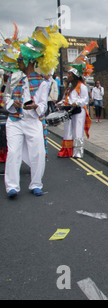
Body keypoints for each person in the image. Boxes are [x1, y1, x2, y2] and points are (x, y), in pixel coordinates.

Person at [4, 25, 67, 198]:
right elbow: (5, 99)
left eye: (20, 60)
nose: (17, 63)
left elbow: (43, 107)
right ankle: (12, 187)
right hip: (15, 121)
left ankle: (36, 184)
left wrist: (35, 107)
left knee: (37, 153)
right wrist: (12, 103)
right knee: (13, 153)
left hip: (33, 122)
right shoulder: (12, 78)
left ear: (29, 61)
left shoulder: (42, 83)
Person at [57, 41, 97, 159]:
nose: (68, 76)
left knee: (77, 131)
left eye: (69, 74)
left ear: (74, 76)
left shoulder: (82, 86)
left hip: (79, 111)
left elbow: (85, 100)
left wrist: (77, 103)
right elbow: (67, 98)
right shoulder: (69, 87)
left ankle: (78, 152)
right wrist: (60, 103)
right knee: (67, 131)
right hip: (69, 111)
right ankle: (67, 151)